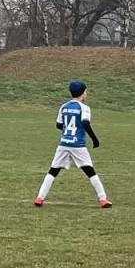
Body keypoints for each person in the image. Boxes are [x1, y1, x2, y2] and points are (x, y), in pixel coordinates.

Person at [34, 79, 112, 208]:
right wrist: (94, 139)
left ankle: (40, 197)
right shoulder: (84, 108)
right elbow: (85, 123)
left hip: (64, 143)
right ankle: (103, 199)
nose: (86, 94)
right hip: (78, 145)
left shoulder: (64, 107)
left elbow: (59, 125)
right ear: (82, 93)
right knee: (90, 171)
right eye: (85, 92)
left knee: (53, 171)